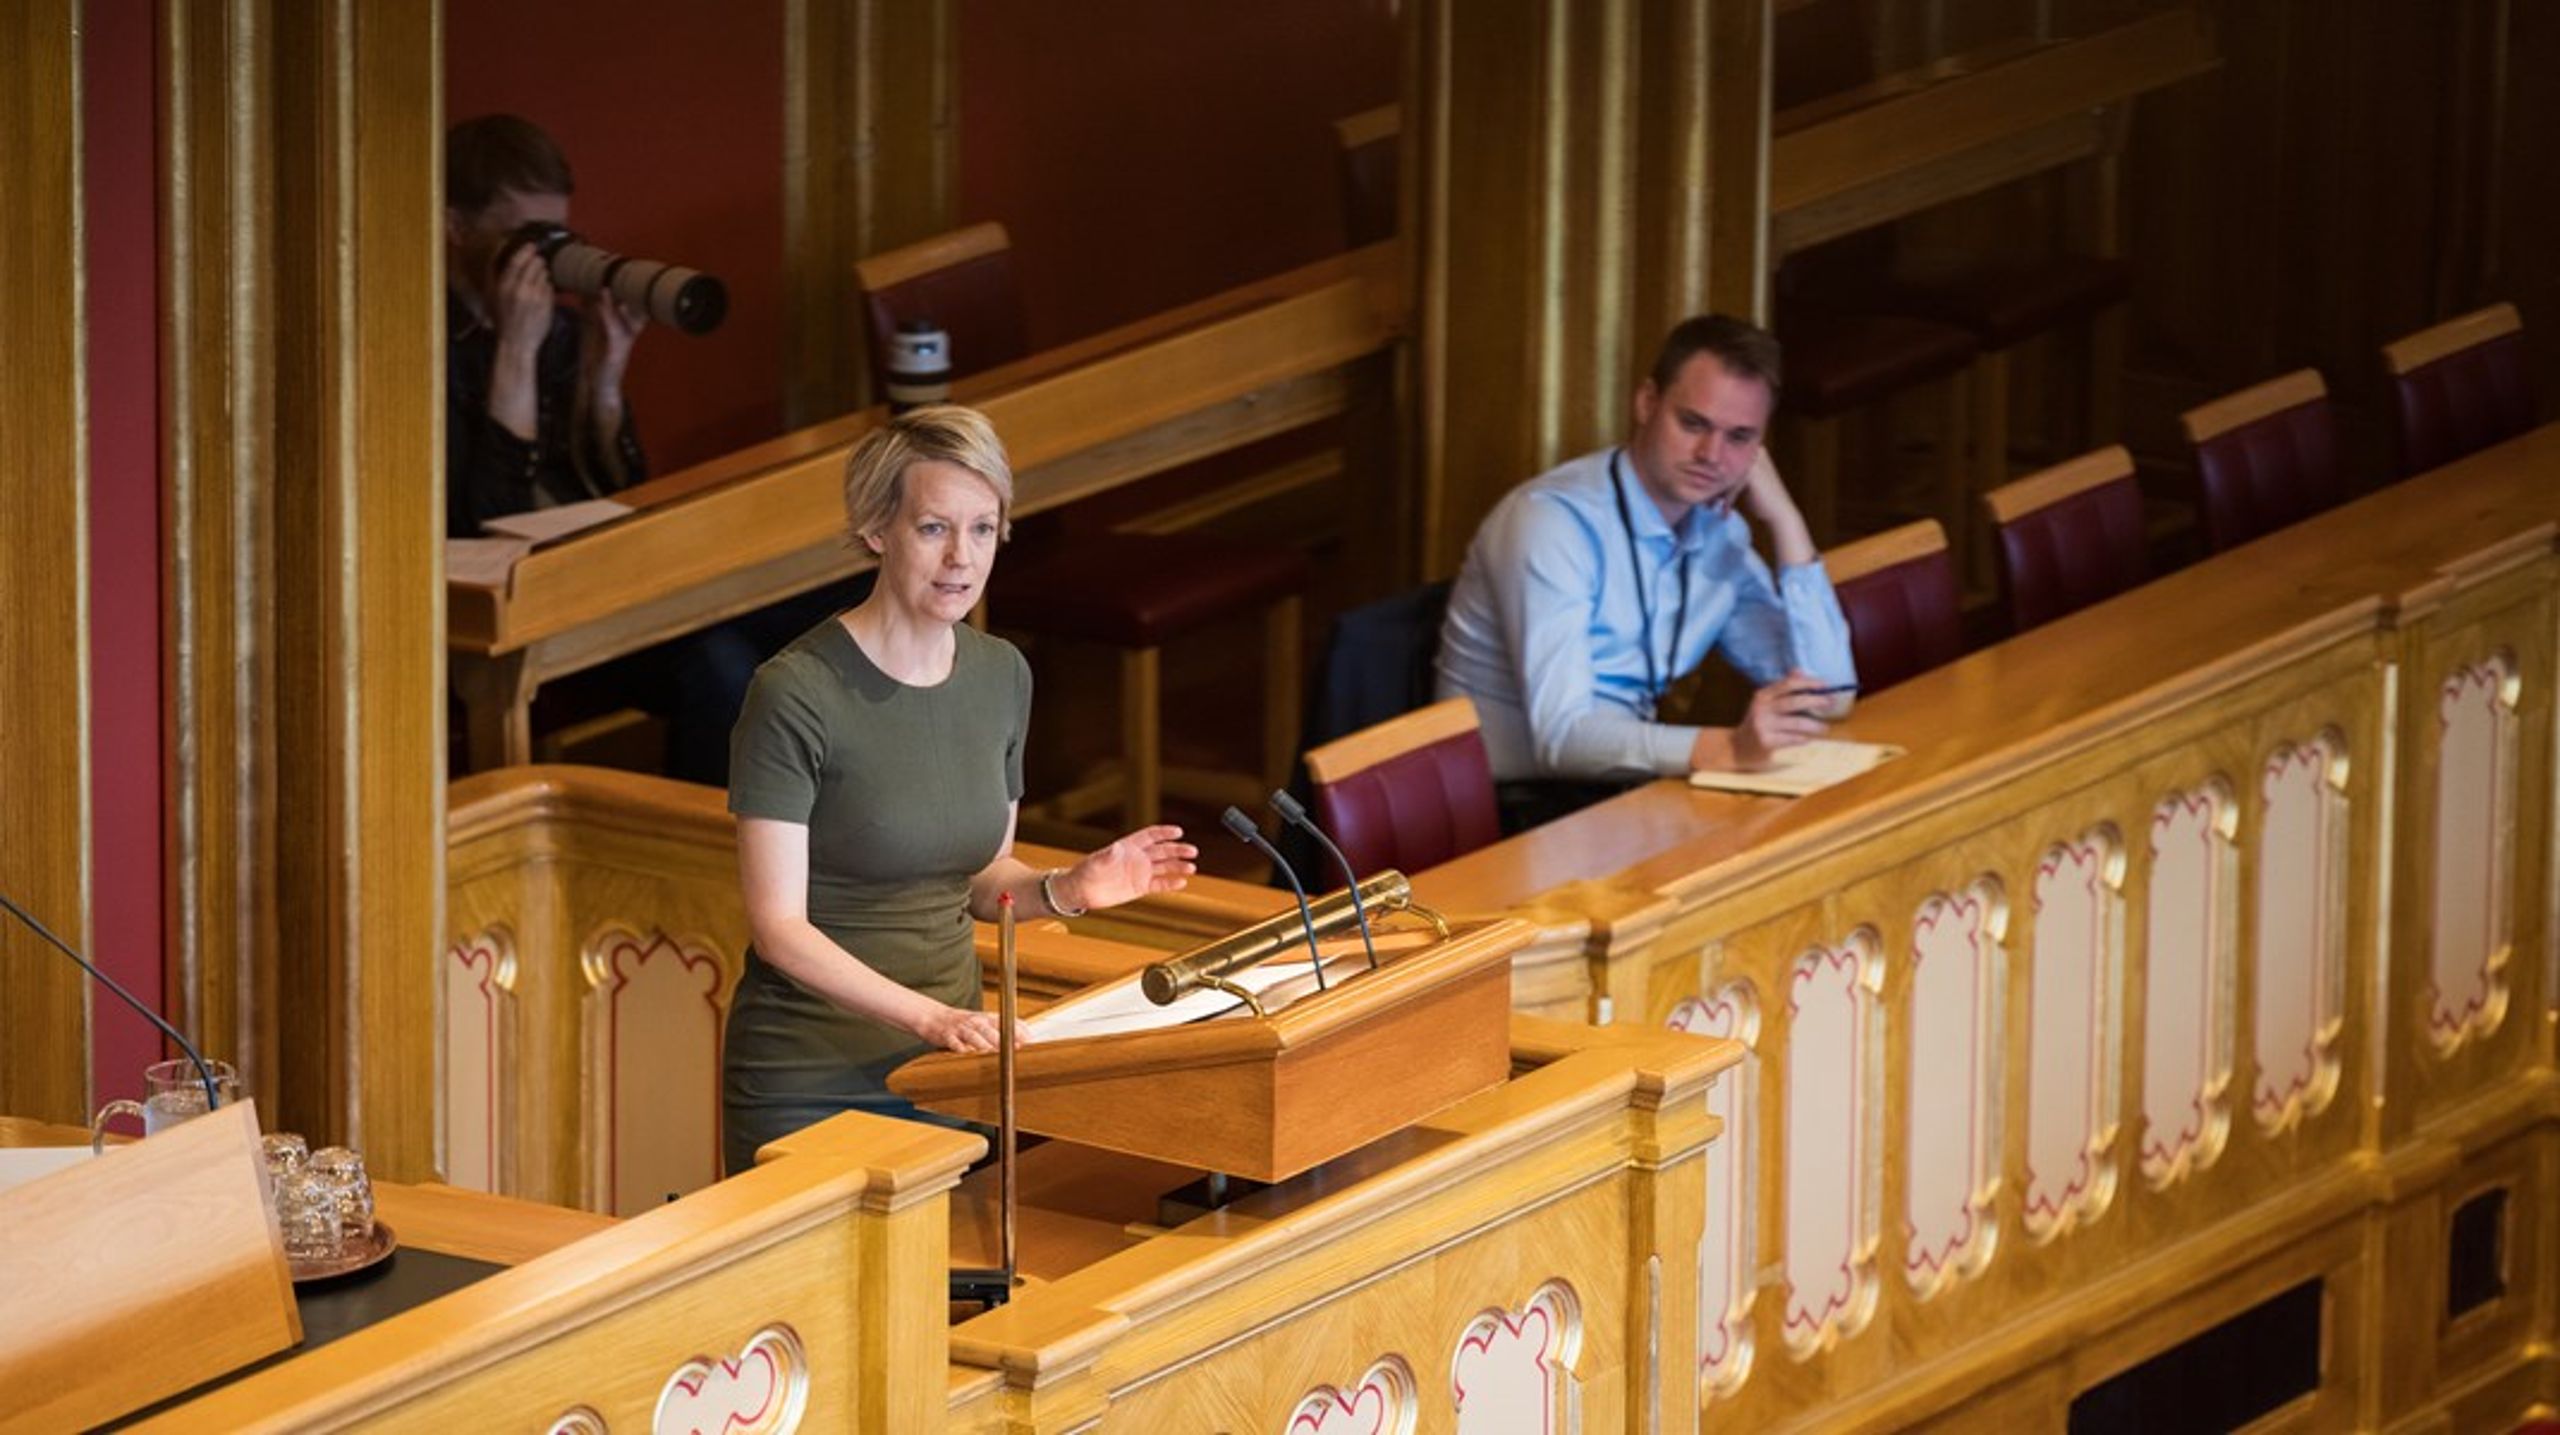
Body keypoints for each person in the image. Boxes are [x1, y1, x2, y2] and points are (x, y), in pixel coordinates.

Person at [720, 405, 1197, 1174]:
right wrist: (933, 1016)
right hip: (807, 1077)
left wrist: (1068, 888)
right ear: (877, 529)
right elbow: (780, 927)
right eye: (934, 528)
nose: (960, 559)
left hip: (950, 1072)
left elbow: (979, 878)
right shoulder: (795, 692)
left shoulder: (1001, 673)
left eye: (983, 529)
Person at [443, 113, 841, 786]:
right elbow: (490, 530)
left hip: (605, 576)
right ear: (456, 227)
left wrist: (605, 377)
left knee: (839, 606)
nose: (540, 261)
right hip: (513, 613)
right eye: (522, 236)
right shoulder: (423, 347)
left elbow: (621, 484)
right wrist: (514, 353)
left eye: (555, 236)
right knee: (721, 664)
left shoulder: (561, 332)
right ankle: (699, 873)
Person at [1435, 314, 1855, 825]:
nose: (1711, 455)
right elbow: (1561, 739)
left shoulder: (1719, 534)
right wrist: (1724, 747)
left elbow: (1826, 697)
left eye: (1740, 438)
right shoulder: (1550, 525)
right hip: (1507, 810)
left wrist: (1786, 521)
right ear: (1646, 403)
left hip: (1622, 791)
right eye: (1694, 424)